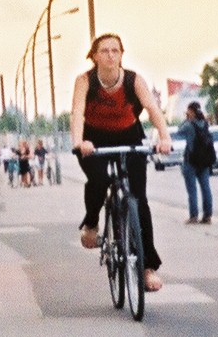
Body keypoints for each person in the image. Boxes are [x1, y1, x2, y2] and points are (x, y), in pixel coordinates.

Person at [70, 33, 171, 292]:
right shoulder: (85, 81)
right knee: (99, 179)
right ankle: (91, 223)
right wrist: (79, 142)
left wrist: (164, 137)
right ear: (94, 56)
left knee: (139, 199)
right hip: (94, 139)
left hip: (129, 136)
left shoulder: (133, 80)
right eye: (104, 51)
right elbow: (77, 112)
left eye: (115, 50)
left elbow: (152, 108)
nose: (110, 55)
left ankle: (147, 268)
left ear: (121, 55)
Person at [180, 100, 216, 225]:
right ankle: (207, 215)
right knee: (206, 188)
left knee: (192, 190)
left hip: (191, 161)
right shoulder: (205, 123)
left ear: (191, 111)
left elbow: (179, 131)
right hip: (204, 161)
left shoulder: (189, 125)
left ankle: (193, 216)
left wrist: (186, 119)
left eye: (188, 111)